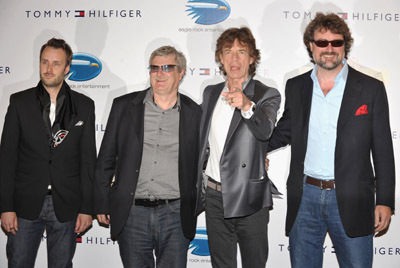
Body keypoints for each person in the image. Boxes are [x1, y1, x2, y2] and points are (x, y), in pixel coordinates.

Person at [267, 13, 395, 267]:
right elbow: (284, 131)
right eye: (322, 42)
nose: (329, 49)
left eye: (336, 42)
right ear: (311, 46)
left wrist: (385, 200)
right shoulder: (296, 86)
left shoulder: (371, 88)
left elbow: (383, 149)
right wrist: (250, 149)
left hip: (352, 197)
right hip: (305, 197)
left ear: (345, 45)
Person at [94, 46, 201, 268]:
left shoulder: (195, 113)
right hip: (132, 213)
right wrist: (102, 201)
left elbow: (207, 157)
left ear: (181, 73)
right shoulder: (123, 107)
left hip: (176, 214)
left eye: (166, 68)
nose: (159, 73)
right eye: (154, 68)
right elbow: (106, 158)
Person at [0, 38, 96, 268]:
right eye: (45, 62)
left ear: (67, 68)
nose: (48, 69)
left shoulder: (84, 106)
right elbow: (7, 158)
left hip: (66, 203)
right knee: (18, 263)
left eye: (56, 63)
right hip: (24, 204)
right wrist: (5, 206)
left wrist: (87, 209)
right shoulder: (19, 102)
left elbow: (87, 161)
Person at [195, 27, 281, 268]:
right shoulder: (211, 92)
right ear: (220, 58)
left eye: (241, 52)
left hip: (249, 195)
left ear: (252, 58)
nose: (234, 59)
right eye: (228, 52)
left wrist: (246, 105)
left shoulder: (266, 94)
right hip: (214, 196)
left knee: (254, 263)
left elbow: (265, 132)